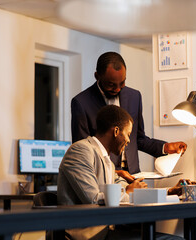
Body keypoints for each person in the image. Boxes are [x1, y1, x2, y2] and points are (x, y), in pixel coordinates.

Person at [58, 105, 186, 240]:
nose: (129, 140)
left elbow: (127, 191)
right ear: (116, 131)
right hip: (88, 235)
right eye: (128, 134)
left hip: (106, 230)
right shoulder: (80, 151)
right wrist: (129, 192)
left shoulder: (107, 161)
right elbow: (93, 199)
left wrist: (168, 191)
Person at [71, 51, 187, 181]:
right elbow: (82, 151)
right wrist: (114, 172)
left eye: (122, 83)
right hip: (103, 177)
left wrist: (166, 148)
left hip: (134, 174)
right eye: (111, 85)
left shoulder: (134, 97)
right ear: (97, 76)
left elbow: (139, 139)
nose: (118, 89)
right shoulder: (81, 103)